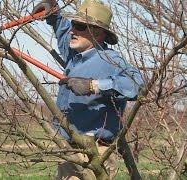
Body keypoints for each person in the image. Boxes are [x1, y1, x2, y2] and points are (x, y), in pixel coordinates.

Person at [32, 0, 144, 179]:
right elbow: (63, 32)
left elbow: (137, 86)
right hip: (69, 150)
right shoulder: (74, 55)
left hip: (94, 154)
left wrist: (93, 86)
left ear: (98, 33)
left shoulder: (110, 60)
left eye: (79, 26)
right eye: (72, 25)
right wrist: (53, 14)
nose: (72, 30)